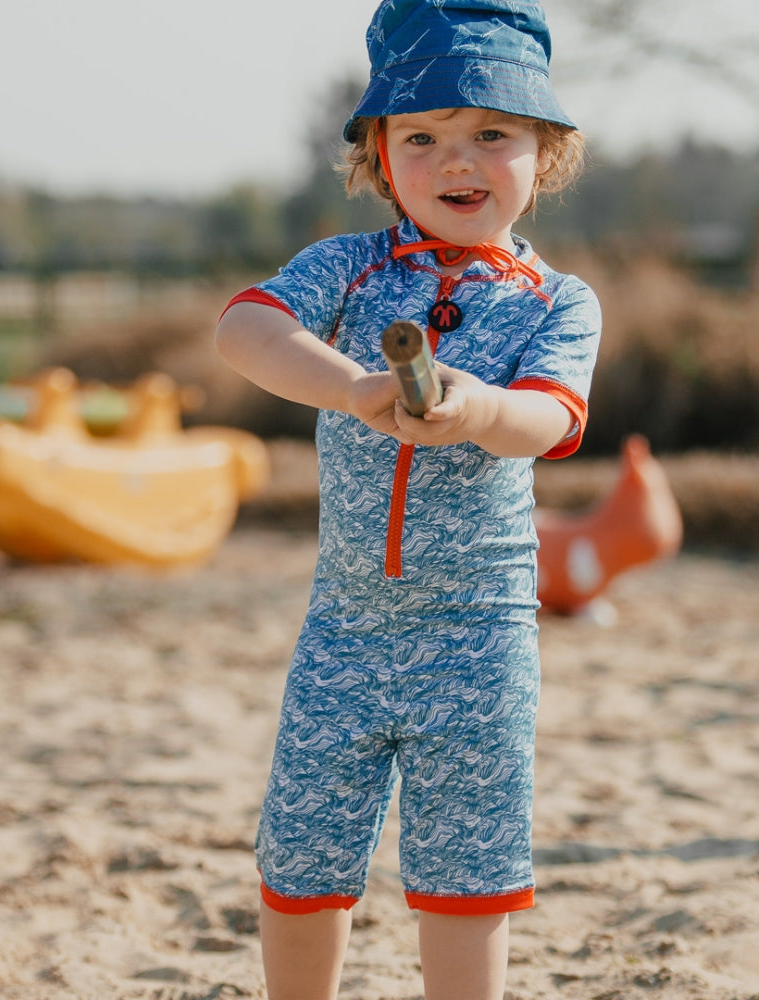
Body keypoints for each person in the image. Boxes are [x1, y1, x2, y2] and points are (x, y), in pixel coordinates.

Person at [214, 2, 601, 997]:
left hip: (479, 638)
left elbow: (549, 420)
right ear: (380, 155)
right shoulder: (346, 269)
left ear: (547, 151)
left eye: (491, 133)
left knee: (467, 878)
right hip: (342, 629)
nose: (456, 160)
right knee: (301, 863)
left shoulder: (557, 302)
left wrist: (479, 410)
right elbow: (244, 329)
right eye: (420, 136)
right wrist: (350, 386)